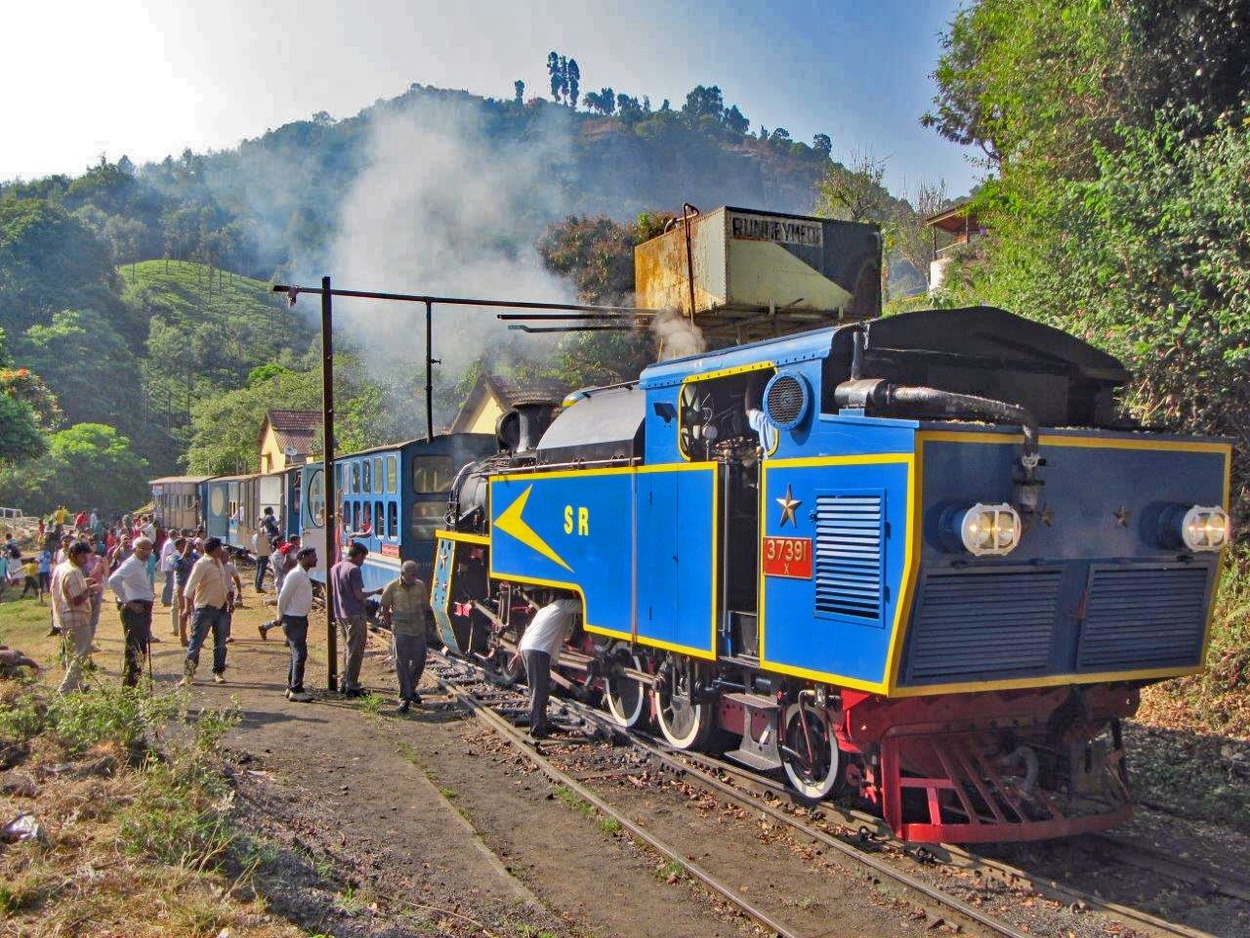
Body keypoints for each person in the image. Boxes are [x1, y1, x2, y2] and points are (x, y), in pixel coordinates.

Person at [515, 597, 580, 738]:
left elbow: (528, 630)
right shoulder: (563, 605)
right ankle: (537, 729)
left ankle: (541, 722)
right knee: (539, 690)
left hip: (528, 648)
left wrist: (518, 651)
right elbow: (582, 605)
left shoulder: (544, 610)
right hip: (537, 650)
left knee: (538, 688)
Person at [379, 560, 432, 713]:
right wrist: (390, 625)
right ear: (403, 574)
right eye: (411, 574)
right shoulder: (392, 587)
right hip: (401, 630)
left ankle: (411, 689)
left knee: (419, 661)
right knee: (402, 664)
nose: (414, 577)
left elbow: (425, 607)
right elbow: (384, 607)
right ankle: (405, 697)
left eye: (416, 574)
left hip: (418, 629)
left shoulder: (420, 586)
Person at [330, 541, 381, 696]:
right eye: (363, 559)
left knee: (347, 648)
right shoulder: (354, 570)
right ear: (358, 555)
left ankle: (344, 681)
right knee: (356, 651)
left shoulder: (335, 568)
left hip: (340, 614)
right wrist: (375, 591)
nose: (363, 562)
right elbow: (359, 595)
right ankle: (352, 685)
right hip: (355, 614)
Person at [181, 536, 231, 687]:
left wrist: (229, 601)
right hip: (205, 610)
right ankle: (188, 675)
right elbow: (189, 589)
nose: (221, 550)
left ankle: (218, 672)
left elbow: (223, 585)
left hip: (221, 608)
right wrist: (186, 608)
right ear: (214, 549)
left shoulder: (218, 563)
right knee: (196, 644)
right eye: (219, 548)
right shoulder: (201, 564)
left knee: (221, 644)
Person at [108, 537, 156, 687]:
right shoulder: (132, 563)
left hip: (143, 608)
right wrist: (128, 602)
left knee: (140, 650)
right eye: (143, 549)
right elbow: (113, 580)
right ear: (135, 549)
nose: (147, 552)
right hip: (135, 610)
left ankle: (135, 686)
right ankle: (129, 690)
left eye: (149, 549)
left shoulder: (142, 564)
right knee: (134, 651)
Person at [276, 546, 318, 702]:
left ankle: (291, 686)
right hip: (293, 619)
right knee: (300, 654)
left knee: (295, 654)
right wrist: (280, 616)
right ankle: (296, 689)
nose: (316, 559)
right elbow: (283, 597)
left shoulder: (302, 574)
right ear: (303, 557)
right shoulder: (295, 575)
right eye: (313, 556)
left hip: (299, 619)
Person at [53, 541, 94, 693]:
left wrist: (84, 583)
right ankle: (64, 689)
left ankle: (77, 686)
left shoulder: (61, 567)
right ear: (72, 554)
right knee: (82, 652)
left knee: (72, 653)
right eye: (82, 555)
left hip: (63, 616)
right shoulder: (73, 572)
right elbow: (76, 600)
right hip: (76, 617)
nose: (85, 558)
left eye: (86, 554)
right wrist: (89, 590)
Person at [170, 537, 197, 644]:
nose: (185, 548)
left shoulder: (194, 555)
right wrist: (184, 555)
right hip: (181, 586)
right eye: (182, 546)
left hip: (192, 585)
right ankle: (183, 637)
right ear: (177, 547)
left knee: (194, 610)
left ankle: (194, 636)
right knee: (183, 610)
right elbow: (176, 567)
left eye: (186, 545)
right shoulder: (174, 556)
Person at [158, 533, 178, 606]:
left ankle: (166, 599)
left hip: (168, 565)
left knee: (169, 583)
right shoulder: (170, 543)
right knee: (169, 583)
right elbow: (170, 554)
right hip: (169, 566)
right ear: (173, 535)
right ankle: (166, 600)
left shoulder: (169, 542)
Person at [253, 523, 272, 593]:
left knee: (258, 571)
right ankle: (258, 587)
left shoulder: (255, 537)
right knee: (261, 571)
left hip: (258, 554)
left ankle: (256, 586)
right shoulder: (260, 536)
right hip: (263, 555)